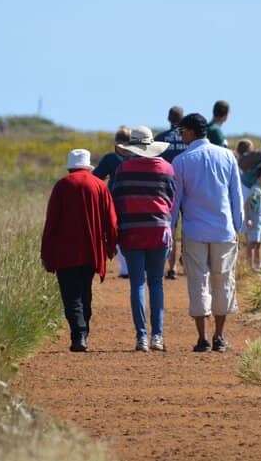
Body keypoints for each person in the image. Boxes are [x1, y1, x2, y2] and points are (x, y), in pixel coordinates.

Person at [171, 113, 245, 353]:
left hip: (194, 231)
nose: (181, 136)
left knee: (198, 281)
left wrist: (172, 230)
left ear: (191, 132)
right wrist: (238, 228)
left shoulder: (181, 161)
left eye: (182, 132)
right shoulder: (227, 157)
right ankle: (219, 336)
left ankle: (202, 338)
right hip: (224, 230)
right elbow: (236, 196)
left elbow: (176, 201)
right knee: (223, 281)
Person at [41, 149, 118, 352]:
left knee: (71, 296)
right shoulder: (99, 185)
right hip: (92, 250)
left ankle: (79, 335)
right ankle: (83, 333)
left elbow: (52, 223)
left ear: (70, 166)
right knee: (85, 293)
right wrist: (110, 246)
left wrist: (46, 253)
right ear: (88, 166)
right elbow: (111, 221)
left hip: (65, 252)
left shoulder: (63, 185)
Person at [112, 126, 176, 352]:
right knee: (156, 283)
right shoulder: (167, 168)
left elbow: (116, 199)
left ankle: (142, 337)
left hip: (132, 231)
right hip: (159, 230)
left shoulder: (123, 169)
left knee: (137, 283)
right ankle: (158, 336)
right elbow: (170, 200)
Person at [93, 126, 132, 278]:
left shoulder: (131, 156)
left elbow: (95, 179)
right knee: (120, 233)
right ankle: (126, 268)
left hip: (124, 201)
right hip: (120, 202)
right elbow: (96, 178)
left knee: (123, 233)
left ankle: (128, 267)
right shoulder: (113, 158)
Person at [155, 105, 188, 280]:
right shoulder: (188, 138)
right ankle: (188, 262)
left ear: (168, 118)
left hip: (166, 189)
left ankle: (172, 267)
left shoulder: (160, 139)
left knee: (170, 227)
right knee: (188, 226)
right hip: (188, 188)